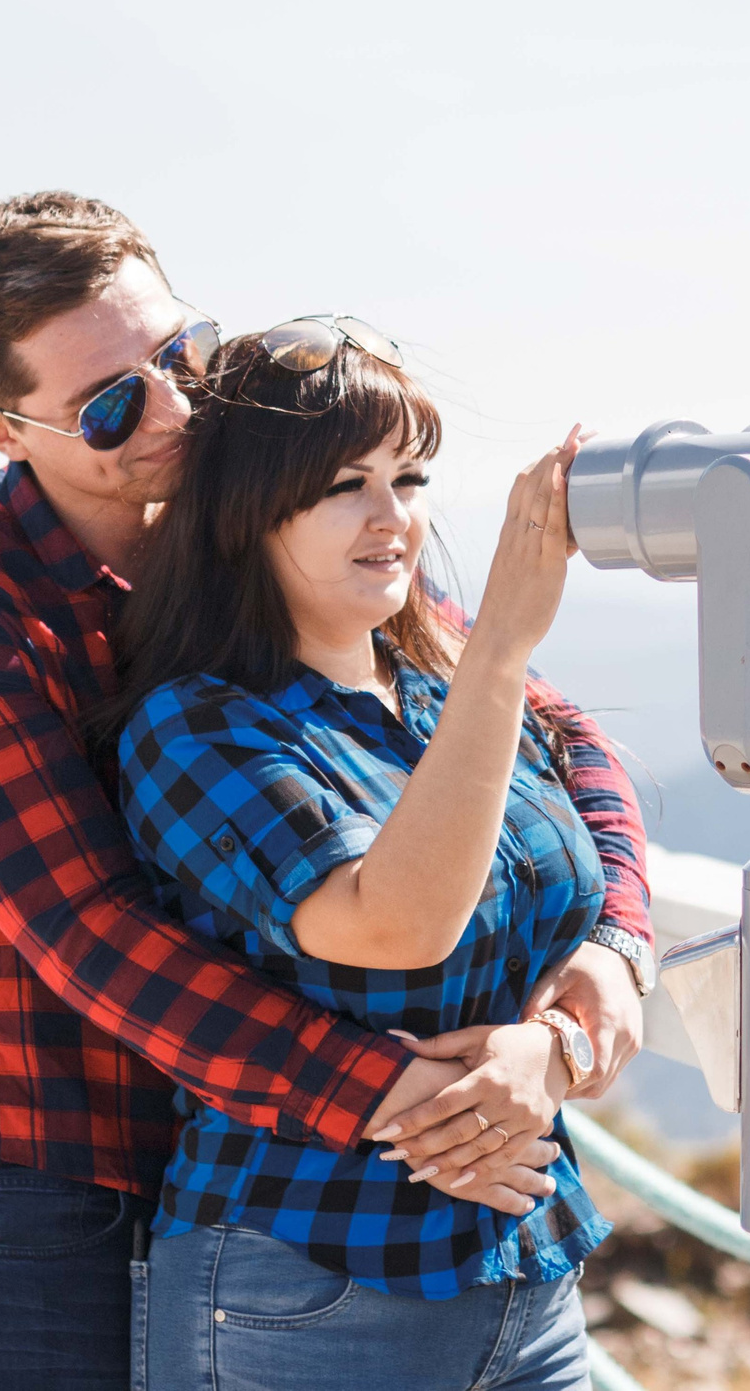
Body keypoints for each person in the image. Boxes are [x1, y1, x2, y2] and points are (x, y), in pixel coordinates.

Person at [0, 193, 653, 1391]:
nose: (176, 408)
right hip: (52, 1176)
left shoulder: (265, 535)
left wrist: (615, 950)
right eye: (113, 402)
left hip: (272, 1168)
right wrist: (411, 1095)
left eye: (183, 354)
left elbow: (541, 730)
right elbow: (89, 933)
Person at [105, 324, 606, 1391]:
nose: (394, 519)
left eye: (409, 476)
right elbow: (393, 928)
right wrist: (505, 649)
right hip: (301, 1292)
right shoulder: (197, 728)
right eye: (345, 484)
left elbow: (586, 863)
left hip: (522, 1274)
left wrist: (566, 1031)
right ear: (247, 517)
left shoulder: (436, 691)